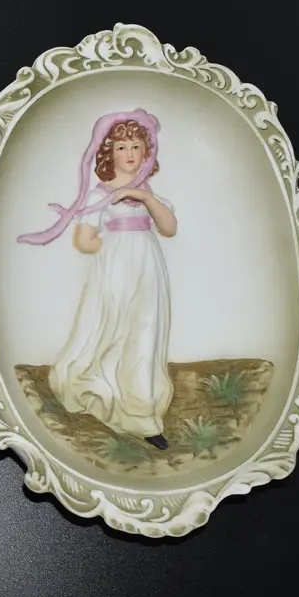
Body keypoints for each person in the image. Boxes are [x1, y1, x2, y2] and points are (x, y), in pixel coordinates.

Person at [18, 109, 177, 450]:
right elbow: (85, 239)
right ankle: (106, 391)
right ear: (109, 153)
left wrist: (146, 198)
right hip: (115, 269)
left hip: (149, 269)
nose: (129, 154)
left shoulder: (148, 193)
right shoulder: (98, 195)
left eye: (136, 146)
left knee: (146, 332)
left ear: (146, 152)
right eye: (121, 147)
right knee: (111, 329)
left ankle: (143, 415)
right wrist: (108, 250)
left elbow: (169, 227)